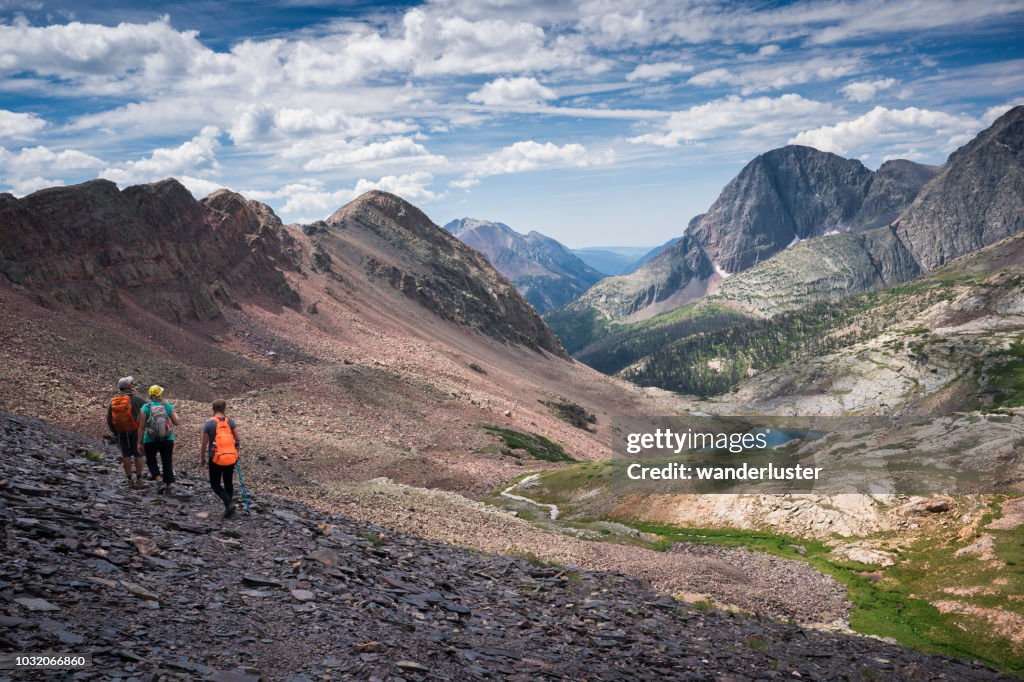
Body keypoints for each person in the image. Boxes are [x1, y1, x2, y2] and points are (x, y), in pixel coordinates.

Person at [199, 399, 241, 518]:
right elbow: (237, 439)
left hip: (215, 458)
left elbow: (204, 443)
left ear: (213, 408)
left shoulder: (209, 423)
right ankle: (229, 507)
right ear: (224, 408)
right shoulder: (230, 422)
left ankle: (228, 503)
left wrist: (202, 457)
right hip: (230, 457)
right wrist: (235, 453)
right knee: (228, 481)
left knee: (215, 483)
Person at [137, 385, 179, 494]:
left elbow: (141, 427)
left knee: (151, 460)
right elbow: (176, 422)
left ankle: (159, 480)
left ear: (150, 395)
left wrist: (139, 442)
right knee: (167, 460)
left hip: (150, 439)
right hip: (167, 438)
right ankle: (169, 485)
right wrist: (174, 412)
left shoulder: (145, 408)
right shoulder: (167, 406)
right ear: (160, 394)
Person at [106, 376, 147, 488]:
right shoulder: (137, 399)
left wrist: (116, 432)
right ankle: (139, 480)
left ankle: (129, 480)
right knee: (138, 455)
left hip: (122, 432)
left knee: (126, 455)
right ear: (130, 386)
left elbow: (109, 419)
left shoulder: (113, 400)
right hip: (136, 431)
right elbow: (149, 410)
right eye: (132, 384)